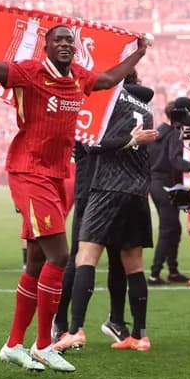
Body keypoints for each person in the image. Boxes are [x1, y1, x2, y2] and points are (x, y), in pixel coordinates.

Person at [0, 0, 149, 372]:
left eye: (70, 41)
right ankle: (44, 345)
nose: (65, 45)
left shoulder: (78, 77)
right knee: (60, 256)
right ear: (46, 46)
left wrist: (138, 53)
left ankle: (13, 344)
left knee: (37, 260)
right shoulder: (29, 73)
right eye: (59, 40)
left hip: (56, 175)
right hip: (29, 172)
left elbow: (108, 79)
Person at [60, 72, 157, 352]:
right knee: (134, 263)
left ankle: (75, 330)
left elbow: (92, 146)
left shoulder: (105, 100)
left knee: (85, 256)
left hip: (107, 188)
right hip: (138, 192)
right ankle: (140, 336)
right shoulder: (145, 107)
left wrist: (126, 141)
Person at [146, 100, 190, 285]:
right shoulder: (175, 134)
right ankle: (155, 273)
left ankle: (173, 271)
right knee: (168, 229)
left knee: (173, 229)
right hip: (167, 184)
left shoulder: (158, 132)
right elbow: (175, 161)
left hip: (155, 183)